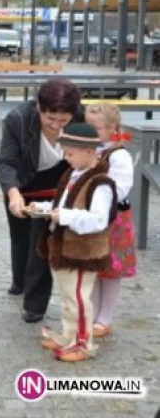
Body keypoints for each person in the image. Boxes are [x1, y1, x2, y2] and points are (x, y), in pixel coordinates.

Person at [0, 78, 82, 323]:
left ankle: (34, 305)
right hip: (22, 178)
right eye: (49, 118)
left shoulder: (82, 119)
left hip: (60, 177)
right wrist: (13, 193)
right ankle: (19, 280)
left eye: (63, 120)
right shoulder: (18, 119)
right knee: (20, 234)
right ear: (39, 108)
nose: (55, 125)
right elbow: (6, 161)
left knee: (42, 240)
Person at [29, 123, 116, 363]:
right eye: (65, 152)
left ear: (89, 152)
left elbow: (98, 220)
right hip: (64, 247)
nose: (66, 158)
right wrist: (43, 208)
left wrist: (64, 216)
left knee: (77, 296)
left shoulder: (100, 183)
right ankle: (68, 335)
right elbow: (64, 206)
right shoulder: (73, 174)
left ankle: (82, 342)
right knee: (67, 295)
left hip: (81, 251)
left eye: (70, 153)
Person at [84, 104, 136, 339]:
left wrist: (99, 198)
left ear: (112, 128)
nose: (90, 131)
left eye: (95, 128)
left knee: (111, 270)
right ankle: (92, 315)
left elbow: (121, 188)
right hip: (92, 218)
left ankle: (105, 318)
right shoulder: (93, 150)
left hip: (113, 219)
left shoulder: (119, 155)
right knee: (93, 268)